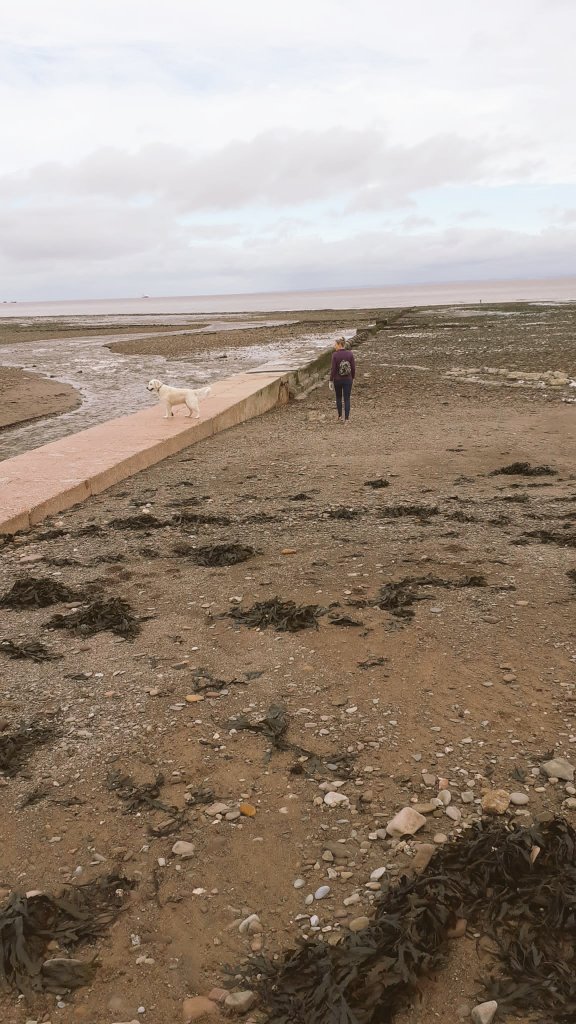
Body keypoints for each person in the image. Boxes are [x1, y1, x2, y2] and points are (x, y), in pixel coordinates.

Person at [329, 338, 355, 423]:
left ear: (340, 345)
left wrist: (330, 380)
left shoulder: (335, 355)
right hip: (348, 379)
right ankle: (347, 419)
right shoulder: (350, 354)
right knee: (347, 399)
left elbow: (333, 369)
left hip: (338, 380)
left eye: (335, 344)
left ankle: (340, 416)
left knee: (339, 398)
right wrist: (352, 378)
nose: (334, 346)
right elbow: (353, 368)